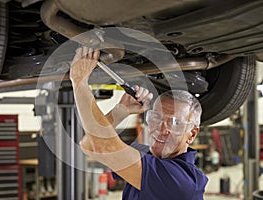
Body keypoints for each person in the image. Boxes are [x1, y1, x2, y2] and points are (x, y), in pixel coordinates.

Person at [70, 46, 208, 199]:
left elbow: (102, 146)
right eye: (156, 118)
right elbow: (90, 144)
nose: (161, 129)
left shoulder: (182, 181)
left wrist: (79, 82)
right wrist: (120, 111)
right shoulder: (147, 155)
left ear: (192, 134)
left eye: (174, 123)